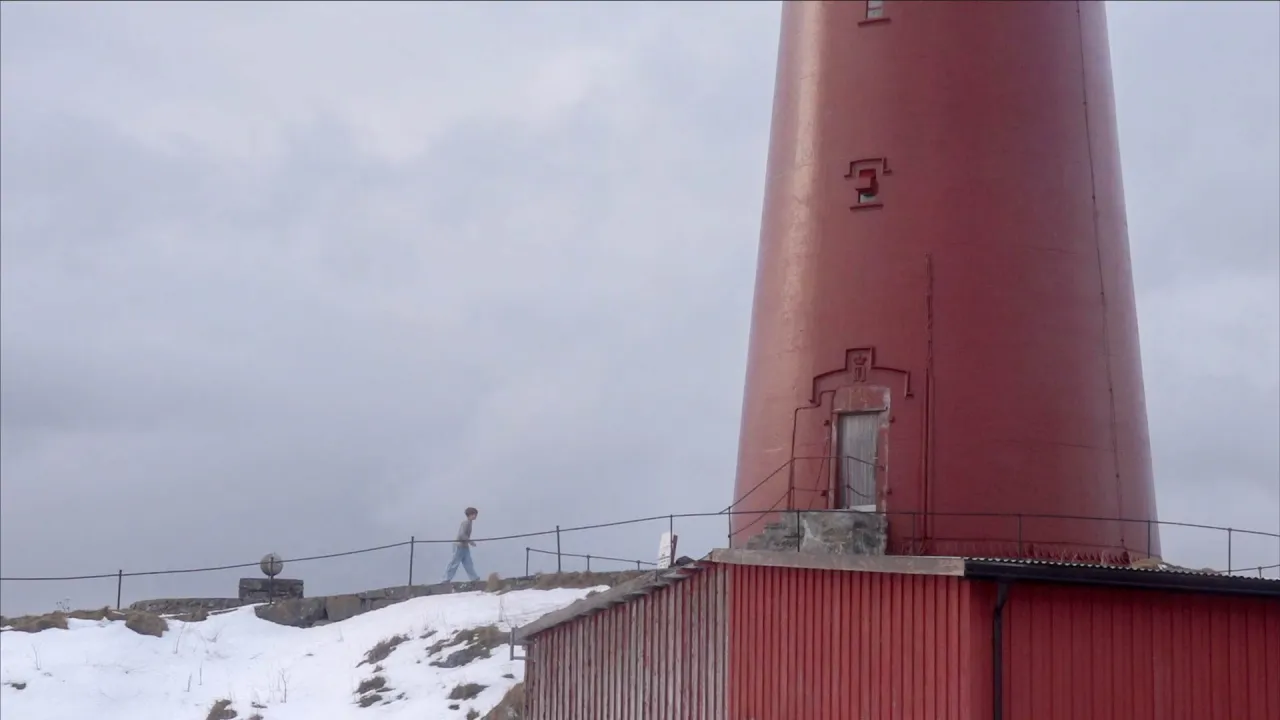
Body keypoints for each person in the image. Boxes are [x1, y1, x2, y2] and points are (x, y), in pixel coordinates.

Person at [443, 506, 480, 583]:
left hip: (465, 546)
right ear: (470, 515)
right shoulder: (465, 523)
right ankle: (445, 579)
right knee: (454, 563)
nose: (476, 516)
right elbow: (461, 535)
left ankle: (474, 578)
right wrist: (470, 541)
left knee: (468, 563)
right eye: (474, 514)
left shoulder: (470, 523)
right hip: (459, 546)